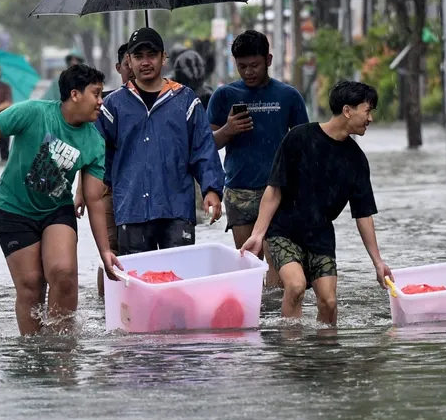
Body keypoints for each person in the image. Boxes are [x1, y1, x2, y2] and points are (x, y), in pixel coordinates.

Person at [0, 64, 108, 335]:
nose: (101, 101)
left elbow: (95, 200)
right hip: (14, 209)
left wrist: (105, 252)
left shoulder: (94, 142)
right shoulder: (32, 112)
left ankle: (61, 346)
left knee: (63, 274)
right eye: (96, 94)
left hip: (56, 210)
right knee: (31, 284)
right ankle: (33, 348)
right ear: (75, 94)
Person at [241, 81, 393, 326]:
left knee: (329, 302)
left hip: (320, 235)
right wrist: (258, 234)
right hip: (284, 231)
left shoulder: (356, 159)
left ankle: (324, 357)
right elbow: (274, 190)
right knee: (296, 286)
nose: (370, 118)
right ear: (347, 110)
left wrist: (378, 262)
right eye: (367, 110)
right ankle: (292, 353)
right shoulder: (299, 137)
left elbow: (363, 214)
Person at [97, 27, 224, 255]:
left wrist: (211, 189)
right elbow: (97, 153)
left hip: (176, 209)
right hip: (131, 208)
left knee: (177, 281)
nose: (145, 62)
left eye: (152, 55)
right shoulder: (113, 105)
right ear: (129, 60)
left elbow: (203, 148)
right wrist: (94, 191)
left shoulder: (185, 100)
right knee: (138, 282)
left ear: (163, 57)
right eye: (138, 56)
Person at [208, 30, 309, 285]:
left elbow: (304, 146)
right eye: (242, 66)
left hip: (277, 191)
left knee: (277, 272)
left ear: (269, 60)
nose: (248, 72)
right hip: (240, 191)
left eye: (254, 65)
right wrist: (227, 130)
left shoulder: (288, 96)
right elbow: (206, 146)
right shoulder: (224, 96)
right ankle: (254, 319)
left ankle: (275, 321)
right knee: (248, 267)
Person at [81, 43, 133, 297]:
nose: (134, 70)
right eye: (128, 65)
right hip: (109, 186)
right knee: (110, 248)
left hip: (143, 189)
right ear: (120, 67)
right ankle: (106, 303)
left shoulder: (165, 99)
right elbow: (89, 150)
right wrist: (81, 193)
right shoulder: (107, 104)